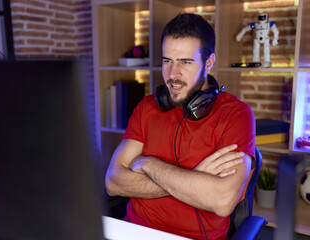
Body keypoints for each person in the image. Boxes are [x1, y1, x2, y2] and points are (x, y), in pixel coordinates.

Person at [105, 13, 255, 240]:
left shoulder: (236, 115)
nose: (173, 75)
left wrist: (146, 163)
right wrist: (193, 178)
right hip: (133, 231)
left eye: (185, 62)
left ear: (209, 62)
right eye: (167, 61)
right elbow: (113, 182)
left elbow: (223, 201)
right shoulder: (147, 107)